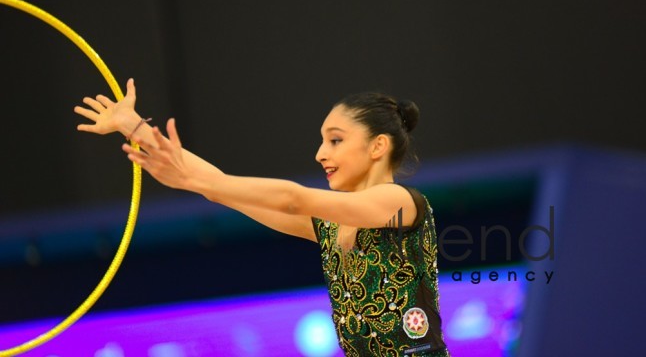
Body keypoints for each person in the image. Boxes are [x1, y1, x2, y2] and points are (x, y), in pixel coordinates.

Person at [74, 78, 450, 356]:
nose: (320, 154)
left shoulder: (399, 202)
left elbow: (292, 198)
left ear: (378, 146)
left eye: (335, 140)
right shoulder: (330, 227)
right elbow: (217, 184)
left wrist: (192, 179)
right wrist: (133, 126)